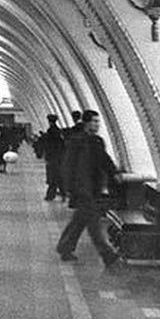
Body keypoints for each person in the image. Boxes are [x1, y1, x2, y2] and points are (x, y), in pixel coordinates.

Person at [55, 110, 125, 268]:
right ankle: (107, 254)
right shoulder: (76, 141)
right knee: (93, 222)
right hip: (82, 188)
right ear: (86, 123)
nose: (97, 124)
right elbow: (68, 165)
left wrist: (114, 172)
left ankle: (65, 247)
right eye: (94, 121)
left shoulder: (97, 141)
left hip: (93, 187)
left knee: (80, 220)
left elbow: (104, 159)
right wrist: (69, 187)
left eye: (98, 122)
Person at [41, 114, 66, 201]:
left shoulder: (50, 132)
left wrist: (47, 156)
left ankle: (51, 195)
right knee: (58, 176)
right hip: (59, 157)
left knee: (52, 176)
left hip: (52, 157)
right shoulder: (59, 132)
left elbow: (48, 146)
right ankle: (63, 194)